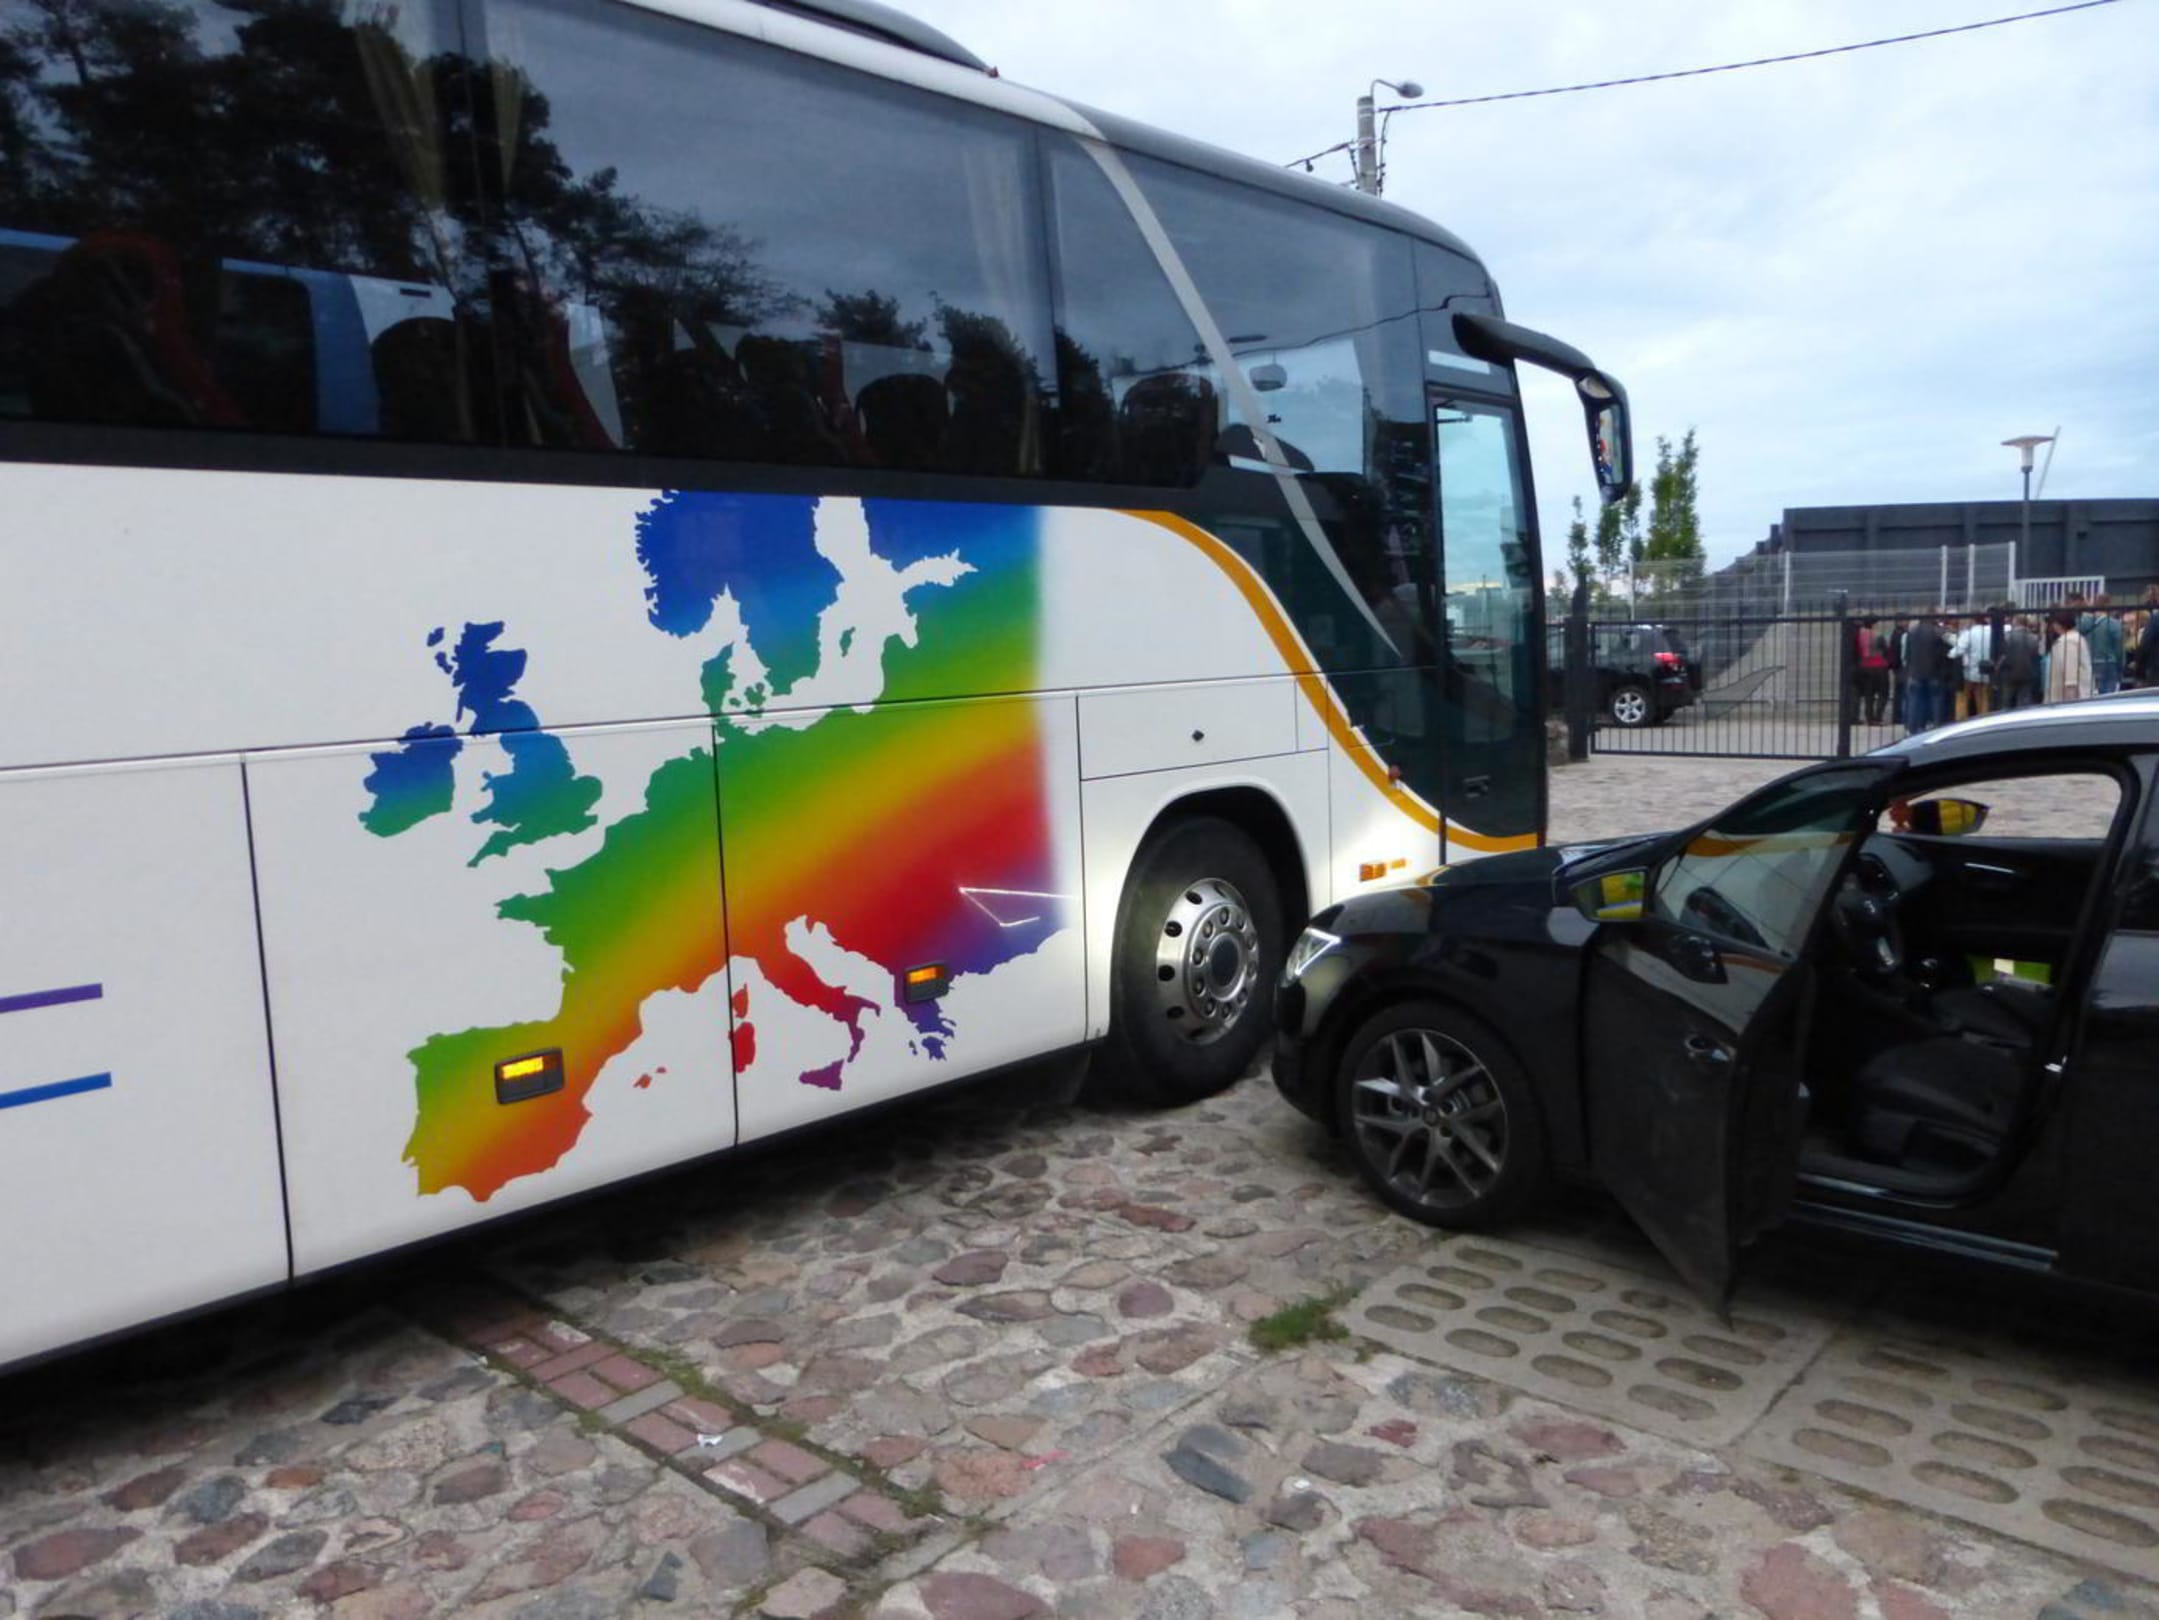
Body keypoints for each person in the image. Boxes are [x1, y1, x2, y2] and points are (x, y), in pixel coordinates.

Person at [1902, 614, 1950, 734]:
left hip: (1915, 672)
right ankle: (1936, 727)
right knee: (1935, 701)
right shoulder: (1937, 633)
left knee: (1914, 701)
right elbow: (1942, 655)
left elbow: (1907, 655)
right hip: (1934, 672)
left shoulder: (1911, 633)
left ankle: (1912, 728)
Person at [1950, 611, 1993, 720]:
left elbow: (1957, 651)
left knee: (1963, 698)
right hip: (1986, 671)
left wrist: (1950, 653)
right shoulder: (1991, 632)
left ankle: (1961, 722)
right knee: (1983, 700)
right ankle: (1983, 720)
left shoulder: (1969, 633)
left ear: (1973, 620)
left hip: (1969, 672)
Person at [2046, 608, 2093, 704]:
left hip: (2066, 700)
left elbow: (2071, 678)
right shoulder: (2075, 638)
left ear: (2057, 624)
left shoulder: (2067, 642)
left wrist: (2070, 704)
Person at [1994, 616, 2041, 709]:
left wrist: (1997, 670)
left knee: (2006, 701)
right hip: (2027, 673)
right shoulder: (2034, 638)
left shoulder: (2007, 636)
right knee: (2024, 702)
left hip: (2009, 673)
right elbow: (2036, 655)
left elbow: (2002, 655)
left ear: (2016, 622)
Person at [2081, 595, 2124, 696]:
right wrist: (2120, 668)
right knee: (2107, 697)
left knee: (2090, 695)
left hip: (2088, 662)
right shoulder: (2114, 624)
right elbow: (2119, 650)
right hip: (2109, 664)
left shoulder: (2083, 622)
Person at [1853, 617, 1890, 725]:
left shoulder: (1859, 635)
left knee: (1869, 694)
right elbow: (1886, 650)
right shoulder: (1878, 635)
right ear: (1873, 624)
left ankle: (1869, 718)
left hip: (1865, 666)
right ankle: (1878, 717)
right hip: (1879, 666)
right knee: (1883, 693)